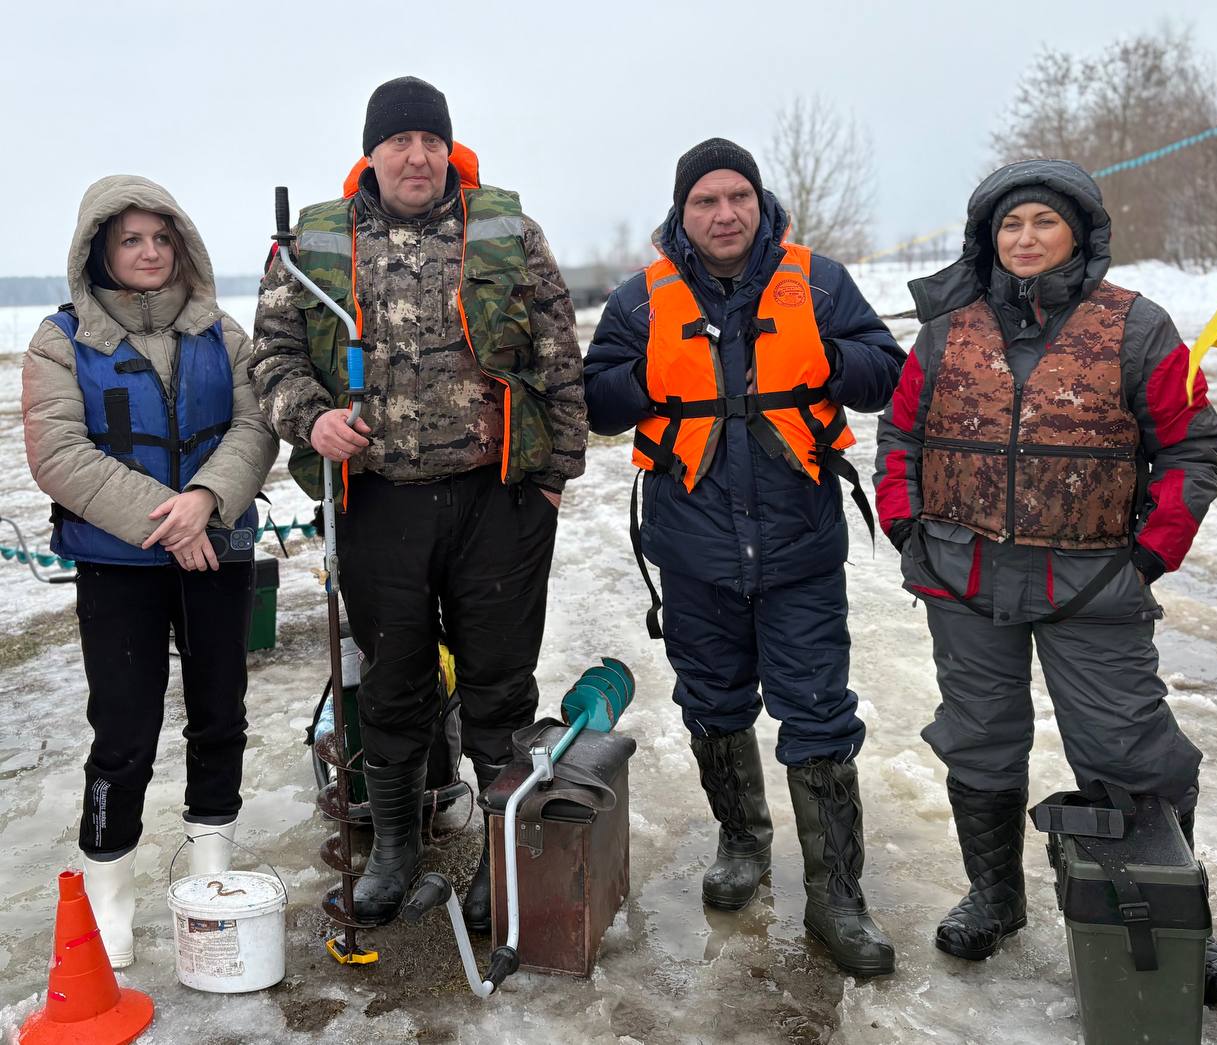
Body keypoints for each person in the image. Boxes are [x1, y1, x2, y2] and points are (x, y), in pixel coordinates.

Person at [873, 158, 1217, 1004]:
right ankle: (996, 895)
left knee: (1130, 746)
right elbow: (899, 435)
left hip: (1094, 584)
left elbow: (1192, 443)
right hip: (964, 577)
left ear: (1079, 231)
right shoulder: (946, 330)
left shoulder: (1137, 327)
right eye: (1010, 225)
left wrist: (1151, 554)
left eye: (1043, 221)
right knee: (979, 739)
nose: (1026, 238)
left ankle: (1177, 911)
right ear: (989, 239)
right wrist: (907, 528)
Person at [250, 76, 586, 929]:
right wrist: (313, 419)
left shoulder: (505, 229)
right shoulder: (312, 245)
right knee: (393, 683)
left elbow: (558, 352)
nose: (417, 155)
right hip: (377, 504)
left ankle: (499, 857)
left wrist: (554, 480)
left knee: (498, 686)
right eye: (399, 140)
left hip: (496, 498)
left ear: (449, 149)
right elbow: (272, 361)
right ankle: (396, 847)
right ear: (373, 151)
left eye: (431, 140)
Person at [584, 139, 904, 977]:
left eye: (738, 198)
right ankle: (742, 839)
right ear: (681, 213)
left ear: (760, 205)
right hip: (693, 550)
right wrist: (646, 378)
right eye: (705, 202)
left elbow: (887, 374)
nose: (724, 214)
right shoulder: (640, 301)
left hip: (799, 546)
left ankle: (838, 896)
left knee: (819, 714)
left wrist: (830, 359)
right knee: (714, 703)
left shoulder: (822, 283)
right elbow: (596, 400)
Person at [21, 175, 278, 968]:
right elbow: (59, 456)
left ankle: (212, 867)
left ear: (183, 245)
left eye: (161, 238)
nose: (149, 252)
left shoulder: (223, 333)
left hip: (217, 550)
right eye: (130, 239)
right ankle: (109, 896)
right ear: (98, 248)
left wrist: (207, 498)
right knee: (124, 731)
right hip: (117, 568)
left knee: (220, 713)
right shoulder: (58, 340)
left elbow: (257, 423)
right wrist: (169, 525)